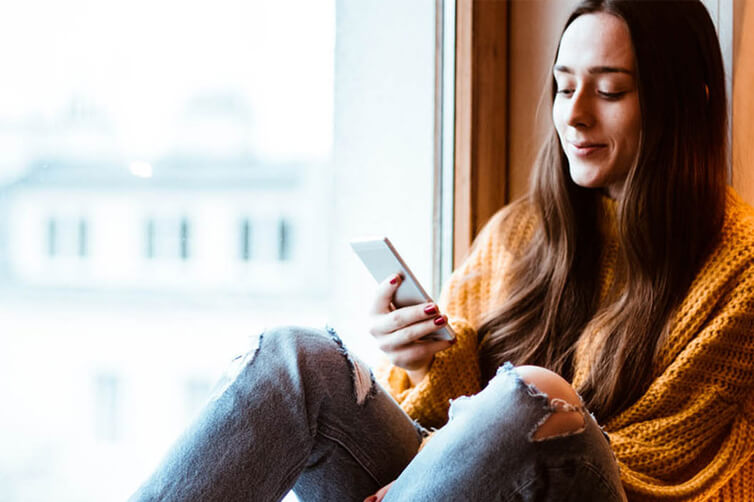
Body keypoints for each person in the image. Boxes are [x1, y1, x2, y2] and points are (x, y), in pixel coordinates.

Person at [129, 0, 754, 500]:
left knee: (536, 396)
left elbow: (663, 466)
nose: (575, 116)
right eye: (564, 88)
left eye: (610, 91)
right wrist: (428, 360)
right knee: (300, 360)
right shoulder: (521, 232)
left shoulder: (741, 266)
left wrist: (465, 445)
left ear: (688, 101)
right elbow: (430, 411)